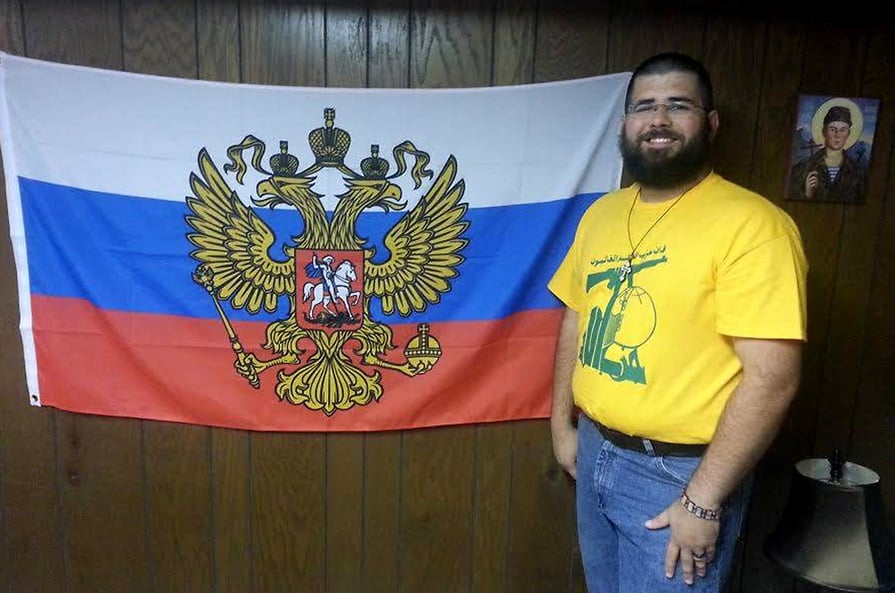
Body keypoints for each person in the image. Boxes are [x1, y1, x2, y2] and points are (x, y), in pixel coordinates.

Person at [548, 52, 808, 593]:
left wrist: (703, 500)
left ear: (709, 123)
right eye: (644, 106)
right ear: (626, 125)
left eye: (678, 105)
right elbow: (576, 317)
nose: (658, 119)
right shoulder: (602, 214)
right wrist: (562, 424)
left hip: (677, 477)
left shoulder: (753, 226)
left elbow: (772, 378)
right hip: (594, 449)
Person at [788, 104, 867, 202]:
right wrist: (808, 195)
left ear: (848, 134)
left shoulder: (858, 173)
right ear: (824, 131)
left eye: (843, 130)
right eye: (832, 129)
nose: (837, 135)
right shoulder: (803, 169)